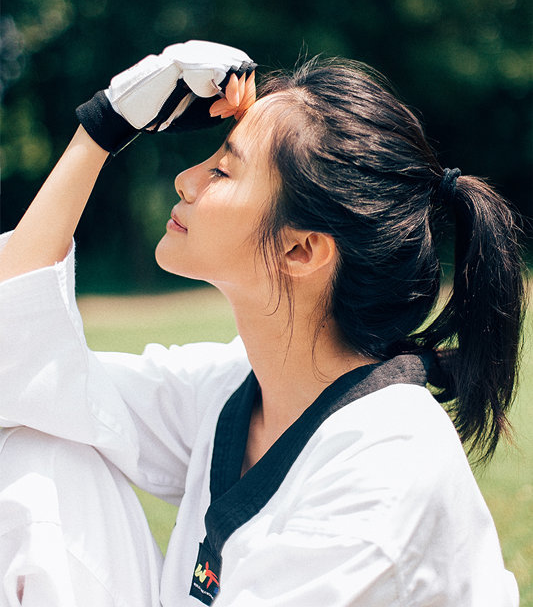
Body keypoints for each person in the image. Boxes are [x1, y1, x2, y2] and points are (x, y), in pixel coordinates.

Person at [0, 40, 525, 607]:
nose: (186, 179)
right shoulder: (238, 391)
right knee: (40, 451)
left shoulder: (384, 466)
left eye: (223, 169)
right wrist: (102, 128)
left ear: (301, 251)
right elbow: (24, 371)